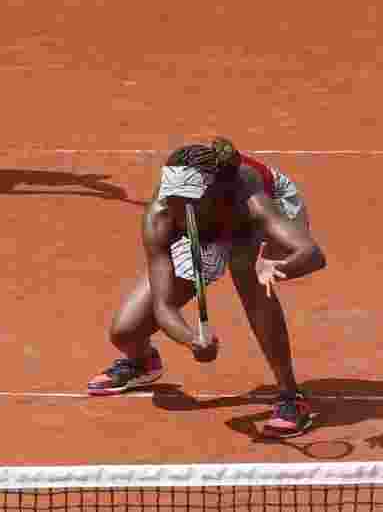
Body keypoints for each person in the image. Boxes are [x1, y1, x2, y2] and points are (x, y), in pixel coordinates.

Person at [87, 138, 327, 438]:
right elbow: (164, 305)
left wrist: (277, 268)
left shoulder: (250, 200)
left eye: (186, 199)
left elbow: (312, 254)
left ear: (214, 193)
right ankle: (142, 362)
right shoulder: (162, 214)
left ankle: (291, 398)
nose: (174, 205)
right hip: (209, 227)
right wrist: (191, 340)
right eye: (171, 196)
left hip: (258, 213)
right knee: (125, 332)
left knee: (247, 272)